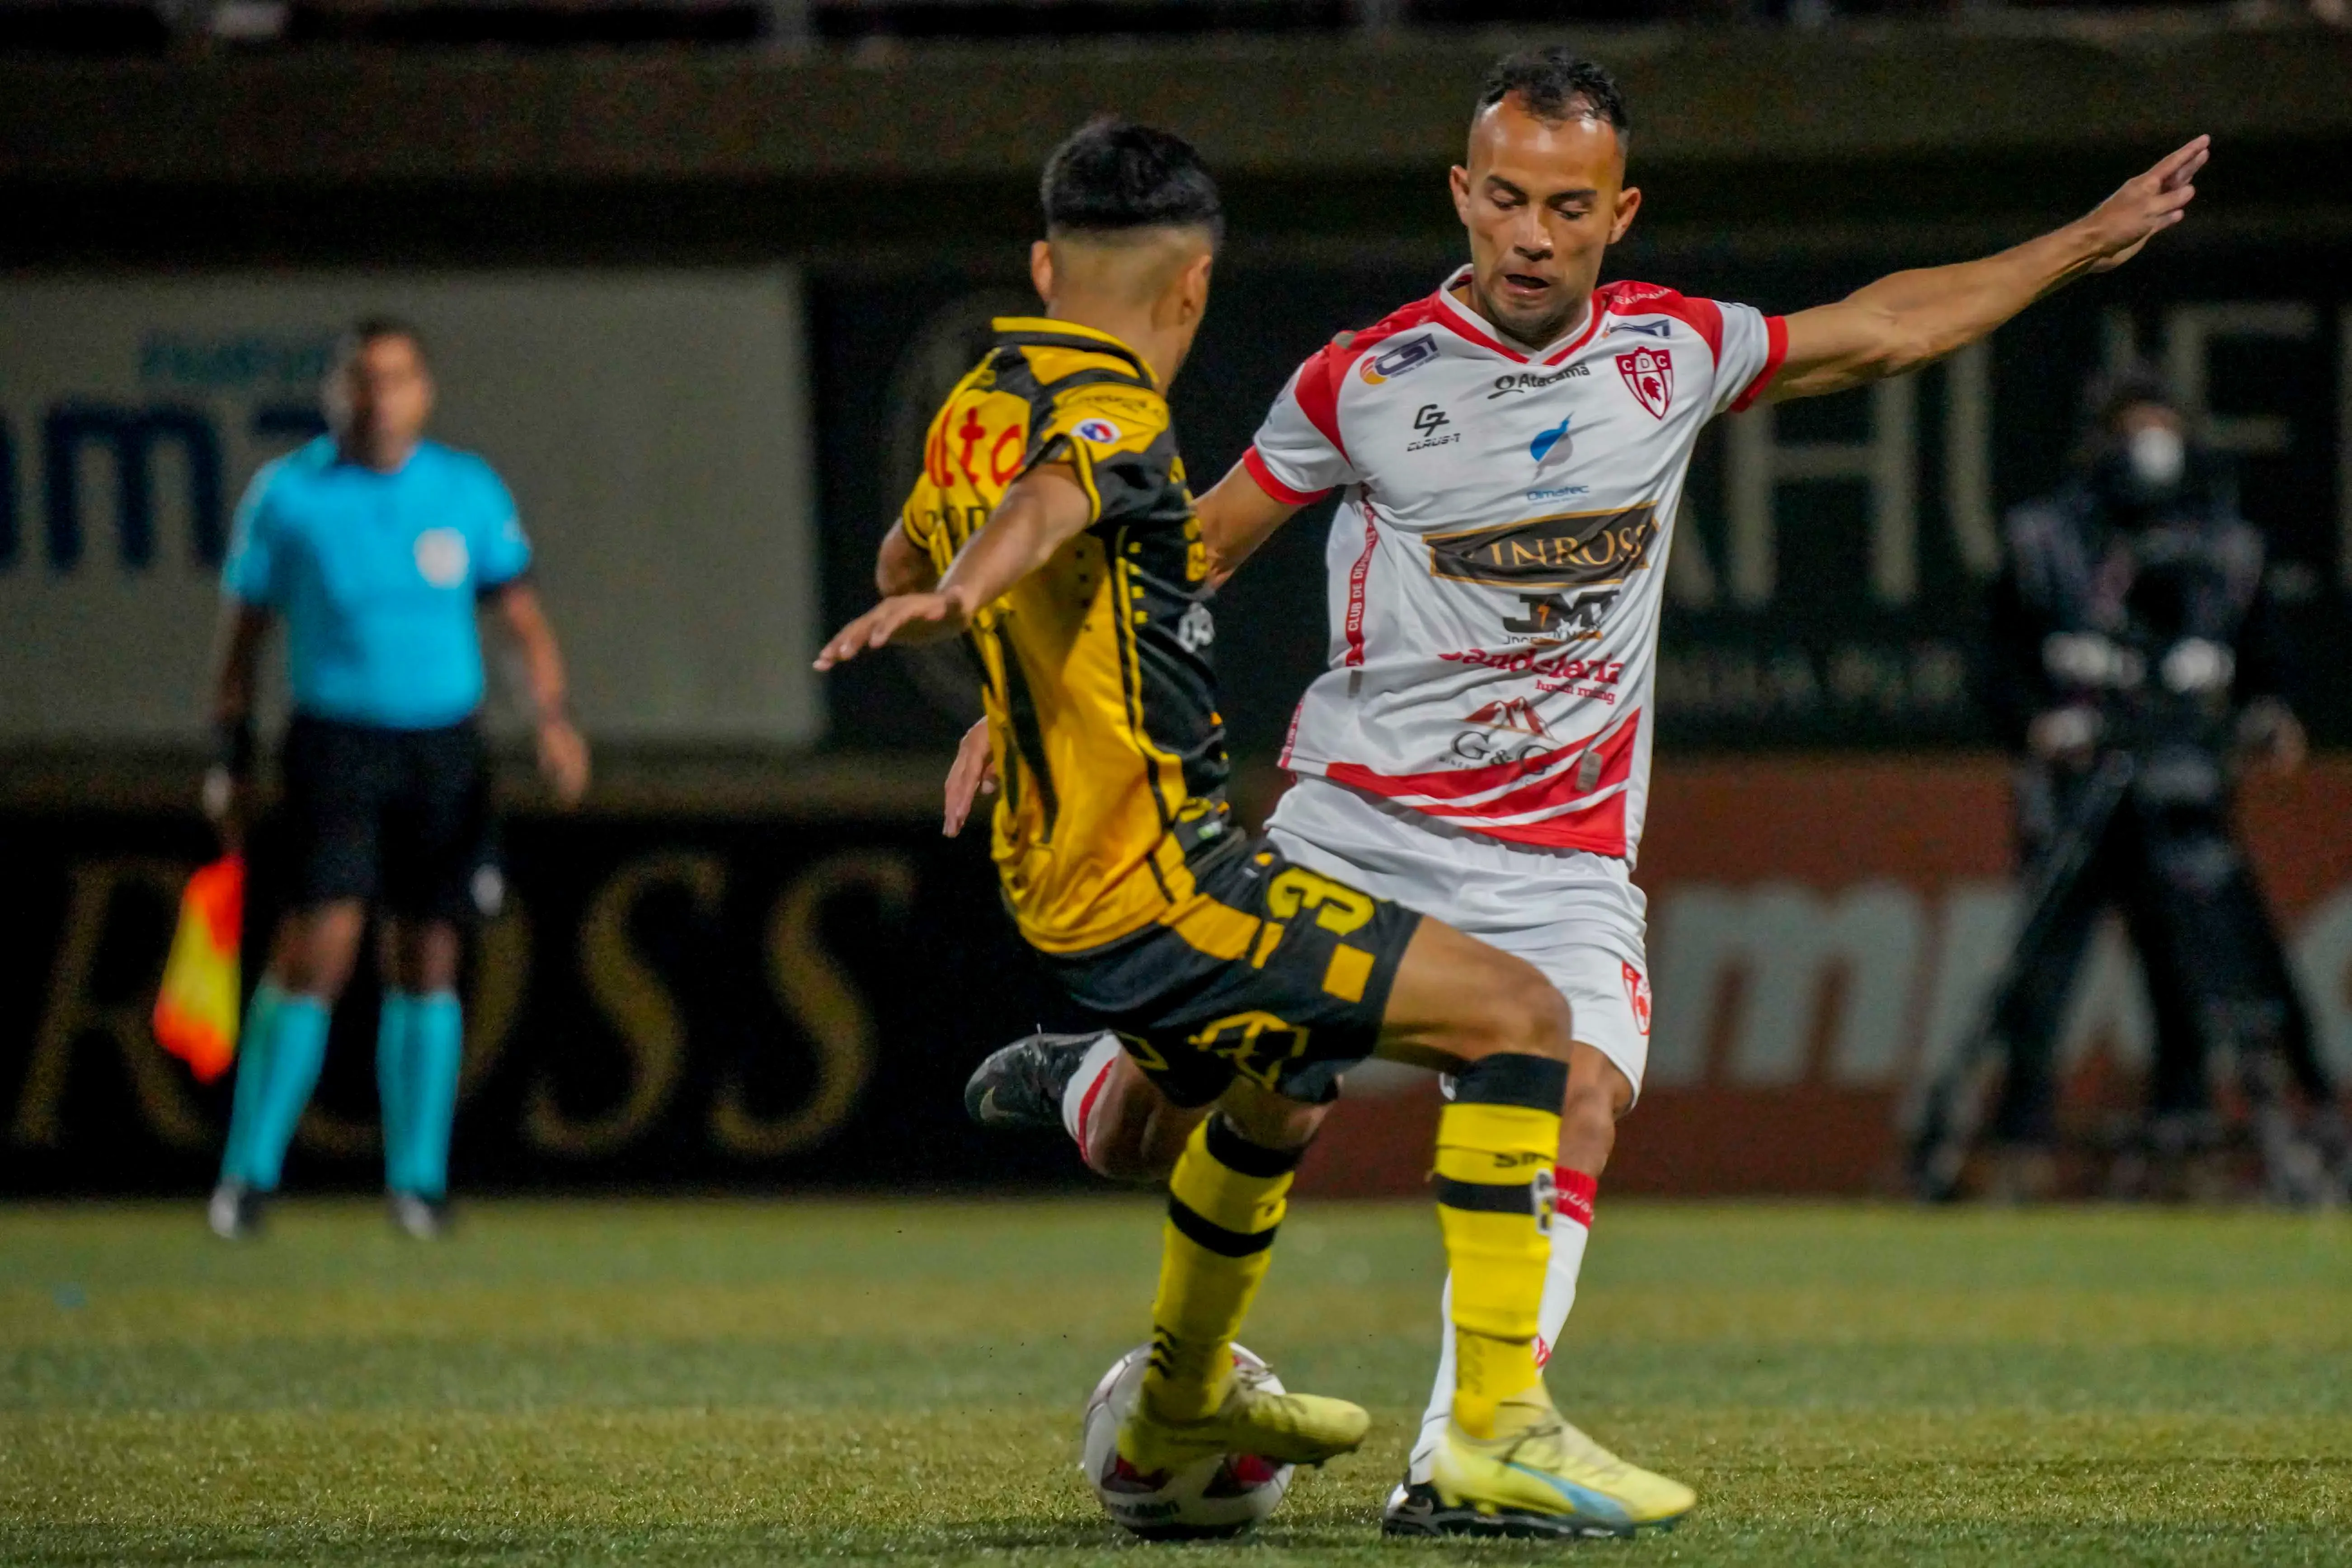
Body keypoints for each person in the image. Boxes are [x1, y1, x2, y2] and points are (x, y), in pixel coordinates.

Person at [949, 49, 2211, 1533]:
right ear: (1460, 197)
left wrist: (2076, 242)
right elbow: (1203, 543)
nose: (1530, 234)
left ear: (1620, 212)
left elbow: (1877, 331)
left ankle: (1456, 1456)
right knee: (1187, 1122)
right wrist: (1017, 695)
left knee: (1580, 1088)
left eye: (1565, 204)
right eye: (1502, 198)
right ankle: (1109, 1075)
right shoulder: (1364, 379)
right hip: (1360, 818)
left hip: (1557, 858)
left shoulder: (1667, 354)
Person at [817, 116, 1698, 1539]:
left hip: (1072, 879)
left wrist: (976, 628)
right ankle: (1488, 1429)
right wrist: (976, 594)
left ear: (1045, 261)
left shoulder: (974, 396)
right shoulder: (1113, 404)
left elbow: (906, 545)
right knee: (1524, 1022)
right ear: (1195, 289)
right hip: (1172, 881)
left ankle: (1167, 1359)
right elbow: (1049, 501)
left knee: (1272, 1075)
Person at [203, 318, 589, 1242]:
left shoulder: (465, 489)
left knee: (431, 957)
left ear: (425, 392)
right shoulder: (289, 498)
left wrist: (551, 718)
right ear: (335, 394)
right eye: (360, 381)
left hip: (444, 751)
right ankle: (246, 1178)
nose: (377, 398)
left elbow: (520, 620)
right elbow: (242, 642)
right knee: (318, 950)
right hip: (336, 745)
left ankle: (417, 1185)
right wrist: (227, 756)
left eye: (396, 379)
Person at [1966, 365, 2340, 1199]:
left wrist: (2268, 710)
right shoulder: (2047, 538)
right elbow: (1995, 664)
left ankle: (2186, 1139)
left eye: (2161, 426)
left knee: (2190, 973)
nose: (2149, 448)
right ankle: (2019, 1146)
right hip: (2076, 797)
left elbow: (2267, 661)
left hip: (2183, 792)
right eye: (2132, 428)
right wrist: (2038, 721)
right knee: (2044, 977)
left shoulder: (2225, 547)